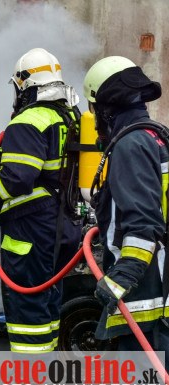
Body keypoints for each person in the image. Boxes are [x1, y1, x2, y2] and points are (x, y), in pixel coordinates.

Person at [0, 48, 82, 355]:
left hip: (32, 230)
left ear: (24, 83)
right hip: (64, 225)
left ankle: (31, 374)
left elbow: (17, 178)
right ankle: (48, 363)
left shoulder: (29, 120)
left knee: (27, 309)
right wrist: (2, 144)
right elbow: (47, 161)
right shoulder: (69, 116)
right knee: (48, 300)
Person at [83, 56, 169, 368]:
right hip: (162, 294)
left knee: (142, 384)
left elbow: (144, 224)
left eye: (94, 109)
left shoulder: (130, 145)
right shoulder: (157, 136)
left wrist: (122, 277)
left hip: (146, 297)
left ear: (106, 109)